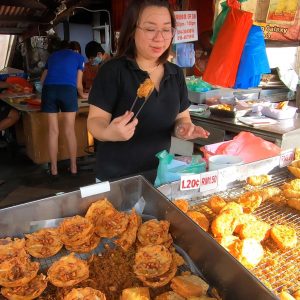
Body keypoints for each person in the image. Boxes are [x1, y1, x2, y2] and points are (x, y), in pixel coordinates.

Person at [87, 0, 209, 182]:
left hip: (161, 175)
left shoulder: (175, 74)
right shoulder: (113, 70)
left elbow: (182, 118)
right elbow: (95, 121)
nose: (159, 37)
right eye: (151, 29)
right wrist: (108, 133)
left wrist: (183, 129)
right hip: (117, 178)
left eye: (166, 29)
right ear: (132, 30)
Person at [40, 40, 88, 176]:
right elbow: (78, 84)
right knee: (69, 131)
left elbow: (42, 81)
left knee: (53, 131)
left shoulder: (52, 56)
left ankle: (54, 169)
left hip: (49, 90)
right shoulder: (79, 58)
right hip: (68, 91)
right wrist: (83, 94)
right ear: (75, 50)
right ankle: (73, 167)